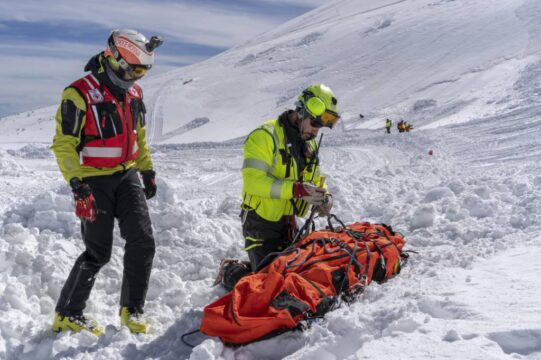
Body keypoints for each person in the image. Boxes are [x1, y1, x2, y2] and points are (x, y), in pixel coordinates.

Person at [51, 29, 163, 336]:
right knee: (98, 252)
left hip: (126, 175)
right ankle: (67, 314)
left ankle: (132, 309)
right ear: (115, 58)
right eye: (135, 69)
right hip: (93, 180)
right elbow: (64, 144)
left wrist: (146, 170)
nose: (138, 77)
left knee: (143, 241)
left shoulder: (135, 94)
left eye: (144, 71)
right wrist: (77, 185)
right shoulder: (79, 93)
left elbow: (138, 136)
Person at [240, 84, 340, 273]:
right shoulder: (264, 136)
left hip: (288, 222)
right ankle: (231, 271)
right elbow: (252, 182)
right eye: (315, 124)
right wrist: (296, 190)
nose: (316, 132)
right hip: (260, 224)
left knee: (298, 272)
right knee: (267, 282)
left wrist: (323, 197)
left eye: (320, 127)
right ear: (301, 112)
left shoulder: (307, 146)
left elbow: (315, 180)